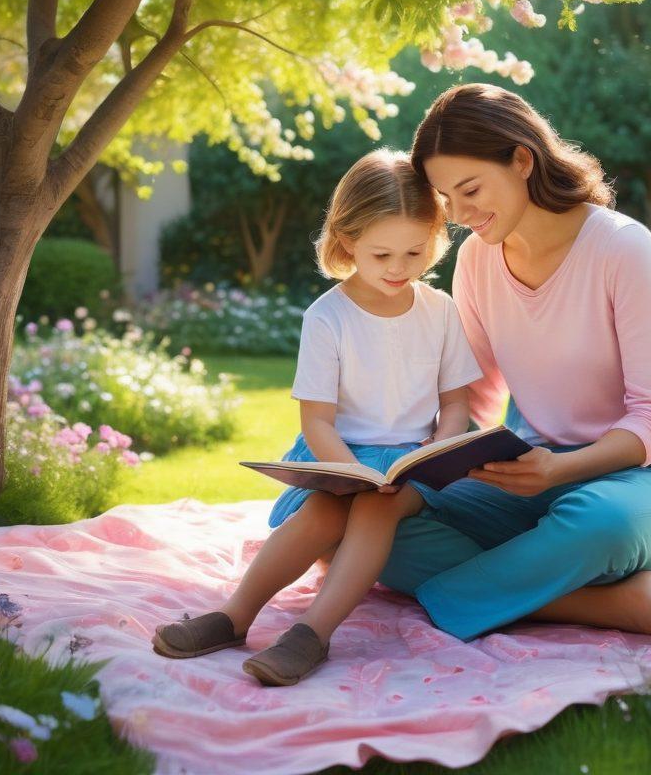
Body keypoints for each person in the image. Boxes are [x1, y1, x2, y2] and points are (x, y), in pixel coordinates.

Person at [375, 82, 651, 645]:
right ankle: (610, 603)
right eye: (446, 199)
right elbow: (476, 396)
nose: (461, 214)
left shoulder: (622, 247)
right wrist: (412, 457)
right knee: (379, 530)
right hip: (540, 476)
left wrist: (560, 471)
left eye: (470, 190)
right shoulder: (476, 260)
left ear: (523, 160)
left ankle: (503, 590)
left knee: (601, 524)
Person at [152, 149, 483, 684]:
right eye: (381, 254)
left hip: (415, 463)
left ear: (435, 239)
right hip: (340, 456)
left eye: (415, 252)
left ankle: (312, 634)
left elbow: (456, 405)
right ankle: (235, 617)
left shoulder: (440, 310)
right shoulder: (327, 317)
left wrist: (436, 451)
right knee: (326, 511)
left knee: (376, 509)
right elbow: (318, 422)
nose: (399, 268)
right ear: (347, 241)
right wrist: (352, 472)